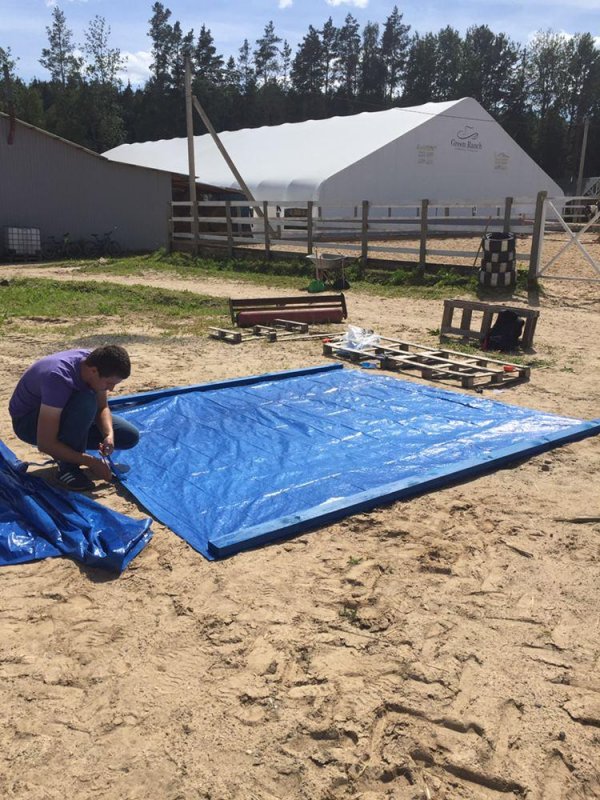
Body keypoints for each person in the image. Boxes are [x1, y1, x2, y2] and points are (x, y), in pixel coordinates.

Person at [8, 345, 139, 491]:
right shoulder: (58, 378)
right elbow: (45, 443)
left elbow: (102, 407)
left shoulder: (96, 363)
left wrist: (108, 436)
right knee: (86, 401)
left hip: (62, 411)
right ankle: (68, 468)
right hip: (28, 423)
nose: (111, 388)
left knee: (128, 436)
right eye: (109, 383)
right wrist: (92, 462)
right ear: (94, 371)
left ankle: (71, 450)